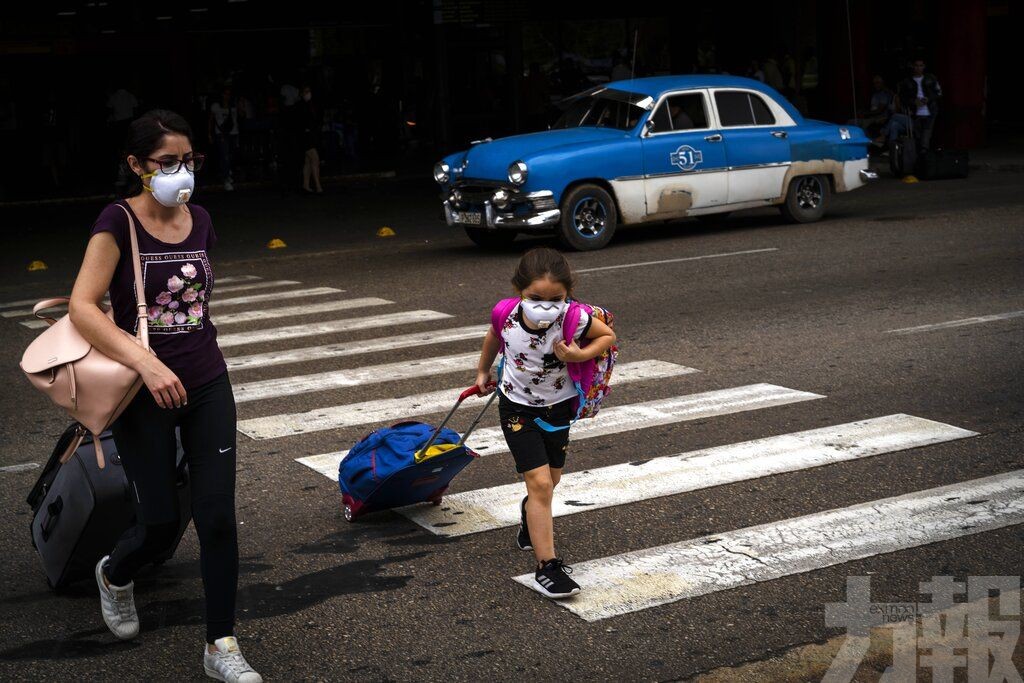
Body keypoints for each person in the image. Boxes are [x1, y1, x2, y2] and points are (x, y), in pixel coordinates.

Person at [67, 109, 261, 683]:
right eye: (166, 162)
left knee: (217, 518)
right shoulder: (116, 221)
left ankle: (220, 643)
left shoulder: (200, 218)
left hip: (206, 382)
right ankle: (115, 573)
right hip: (141, 390)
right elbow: (82, 305)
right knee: (156, 524)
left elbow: (196, 303)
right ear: (137, 166)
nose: (182, 171)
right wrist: (148, 364)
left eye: (188, 160)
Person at [473, 248, 616, 599]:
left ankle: (528, 514)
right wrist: (482, 371)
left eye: (556, 299)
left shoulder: (574, 317)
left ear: (567, 295)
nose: (545, 306)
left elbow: (606, 337)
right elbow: (494, 336)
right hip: (517, 409)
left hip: (558, 410)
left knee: (550, 481)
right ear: (518, 290)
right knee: (540, 484)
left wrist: (579, 354)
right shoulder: (505, 313)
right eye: (535, 298)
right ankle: (547, 567)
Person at [896, 57, 942, 152]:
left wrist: (928, 99)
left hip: (930, 109)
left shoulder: (931, 78)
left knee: (927, 132)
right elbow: (902, 97)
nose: (918, 68)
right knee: (917, 135)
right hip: (914, 111)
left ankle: (924, 153)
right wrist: (913, 101)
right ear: (913, 67)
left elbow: (938, 92)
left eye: (920, 66)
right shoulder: (906, 81)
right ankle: (919, 155)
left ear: (924, 67)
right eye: (916, 66)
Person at [208, 86, 239, 191]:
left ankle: (228, 172)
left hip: (233, 132)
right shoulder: (216, 106)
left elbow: (237, 118)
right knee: (224, 155)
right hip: (221, 133)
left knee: (232, 154)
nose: (227, 96)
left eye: (229, 94)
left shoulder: (233, 105)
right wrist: (209, 134)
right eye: (225, 94)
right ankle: (226, 179)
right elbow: (211, 120)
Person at [297, 85, 323, 194]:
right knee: (315, 159)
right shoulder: (300, 106)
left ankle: (306, 185)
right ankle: (318, 186)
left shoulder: (311, 104)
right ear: (302, 93)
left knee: (308, 161)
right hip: (305, 137)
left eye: (309, 91)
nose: (308, 93)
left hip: (311, 136)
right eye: (306, 91)